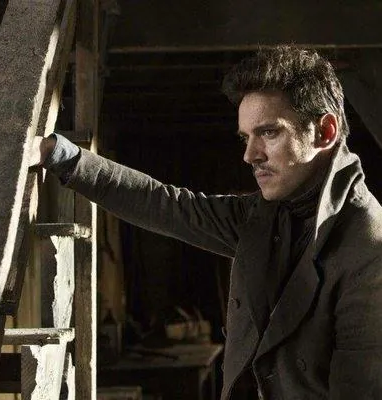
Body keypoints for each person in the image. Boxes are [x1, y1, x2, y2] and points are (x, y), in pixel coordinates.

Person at [32, 46, 382, 399]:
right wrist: (57, 154)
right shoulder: (269, 213)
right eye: (246, 137)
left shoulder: (369, 250)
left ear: (325, 132)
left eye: (269, 133)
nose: (250, 155)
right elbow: (165, 206)